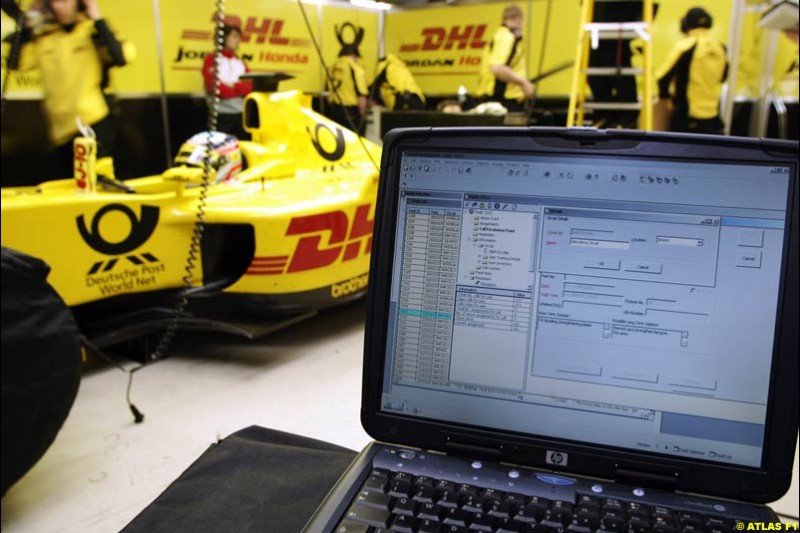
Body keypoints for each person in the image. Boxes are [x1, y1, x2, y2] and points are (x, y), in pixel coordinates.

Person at [2, 0, 134, 178]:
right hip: (60, 134)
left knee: (99, 192)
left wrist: (96, 16)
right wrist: (27, 26)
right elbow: (14, 63)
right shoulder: (44, 38)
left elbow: (121, 56)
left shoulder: (91, 32)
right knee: (71, 197)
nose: (58, 7)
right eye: (53, 2)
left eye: (65, 1)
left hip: (94, 127)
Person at [656, 7, 728, 134]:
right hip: (712, 118)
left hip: (686, 118)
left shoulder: (685, 46)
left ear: (685, 24)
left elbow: (662, 77)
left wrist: (665, 99)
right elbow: (723, 77)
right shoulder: (720, 47)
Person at [478, 4, 534, 112]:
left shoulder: (500, 35)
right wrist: (524, 83)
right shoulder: (506, 37)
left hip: (498, 98)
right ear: (519, 19)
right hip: (502, 100)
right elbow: (497, 68)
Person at [202, 24, 252, 140]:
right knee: (222, 152)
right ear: (223, 38)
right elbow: (214, 88)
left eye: (238, 37)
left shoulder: (240, 62)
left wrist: (233, 86)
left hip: (243, 116)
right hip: (222, 116)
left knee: (243, 151)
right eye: (234, 36)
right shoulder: (212, 60)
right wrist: (239, 88)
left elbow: (250, 87)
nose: (237, 40)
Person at [326, 44, 368, 133]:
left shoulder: (331, 68)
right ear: (354, 55)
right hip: (351, 112)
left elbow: (327, 93)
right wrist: (362, 115)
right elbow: (361, 95)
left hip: (333, 110)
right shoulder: (356, 69)